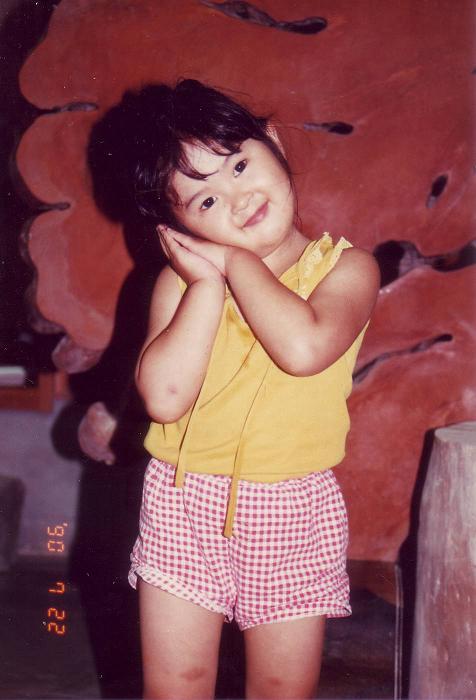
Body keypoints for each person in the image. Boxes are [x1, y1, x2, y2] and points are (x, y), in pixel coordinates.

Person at [127, 78, 380, 699]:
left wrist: (234, 263)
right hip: (182, 504)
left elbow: (303, 349)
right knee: (176, 686)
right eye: (206, 200)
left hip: (291, 510)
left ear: (273, 142)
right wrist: (205, 286)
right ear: (177, 225)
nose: (237, 199)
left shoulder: (346, 268)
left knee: (279, 689)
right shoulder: (184, 283)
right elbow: (163, 399)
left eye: (238, 165)